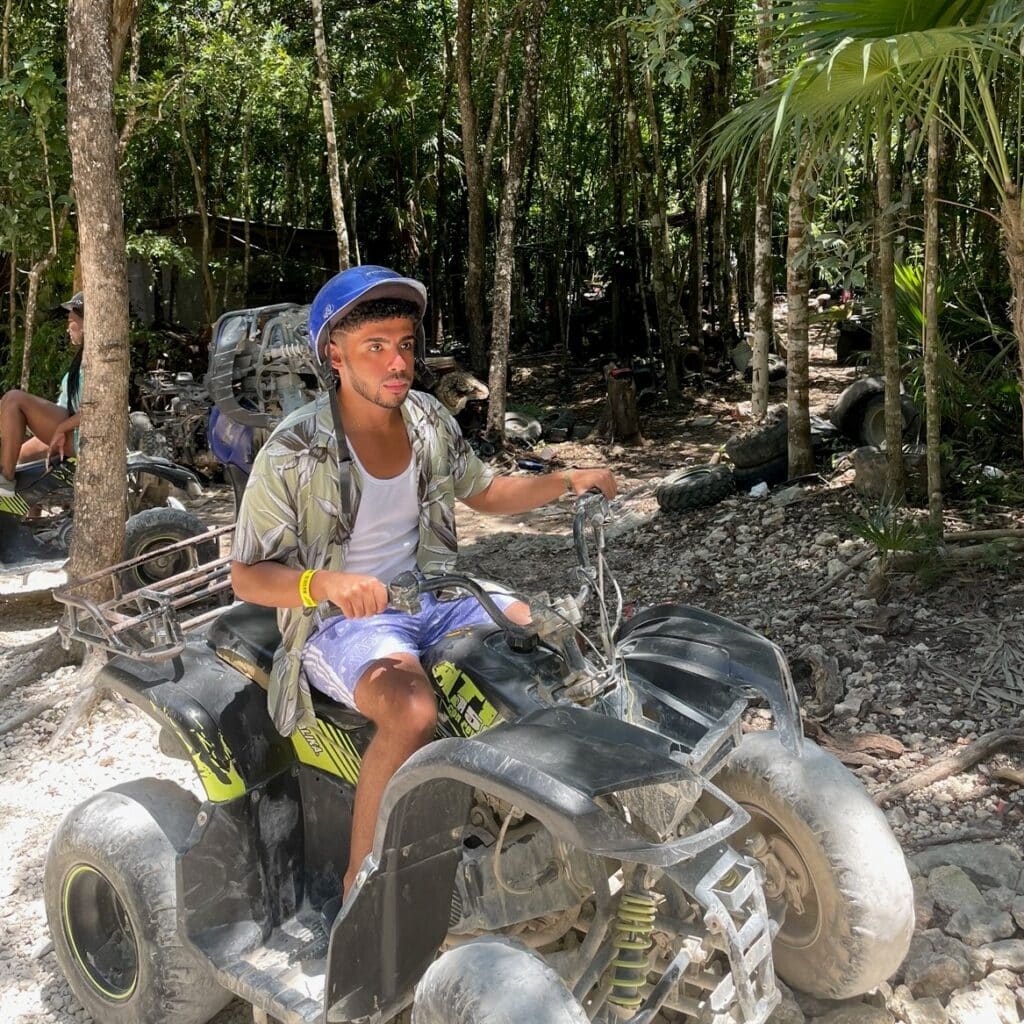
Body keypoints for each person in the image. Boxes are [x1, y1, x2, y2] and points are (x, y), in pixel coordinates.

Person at [230, 265, 617, 924]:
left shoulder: (428, 418)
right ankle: (365, 883)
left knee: (554, 642)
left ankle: (577, 815)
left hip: (436, 595)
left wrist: (569, 480)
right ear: (335, 353)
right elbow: (247, 575)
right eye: (376, 346)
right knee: (410, 710)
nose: (397, 362)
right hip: (341, 624)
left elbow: (486, 492)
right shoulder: (293, 447)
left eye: (405, 344)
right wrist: (321, 582)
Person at [0, 291, 85, 496]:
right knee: (21, 458)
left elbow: (98, 407)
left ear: (86, 324)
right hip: (67, 428)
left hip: (78, 433)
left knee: (13, 399)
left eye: (71, 321)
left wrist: (61, 428)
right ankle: (29, 520)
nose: (67, 328)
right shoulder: (82, 357)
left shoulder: (98, 361)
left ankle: (4, 483)